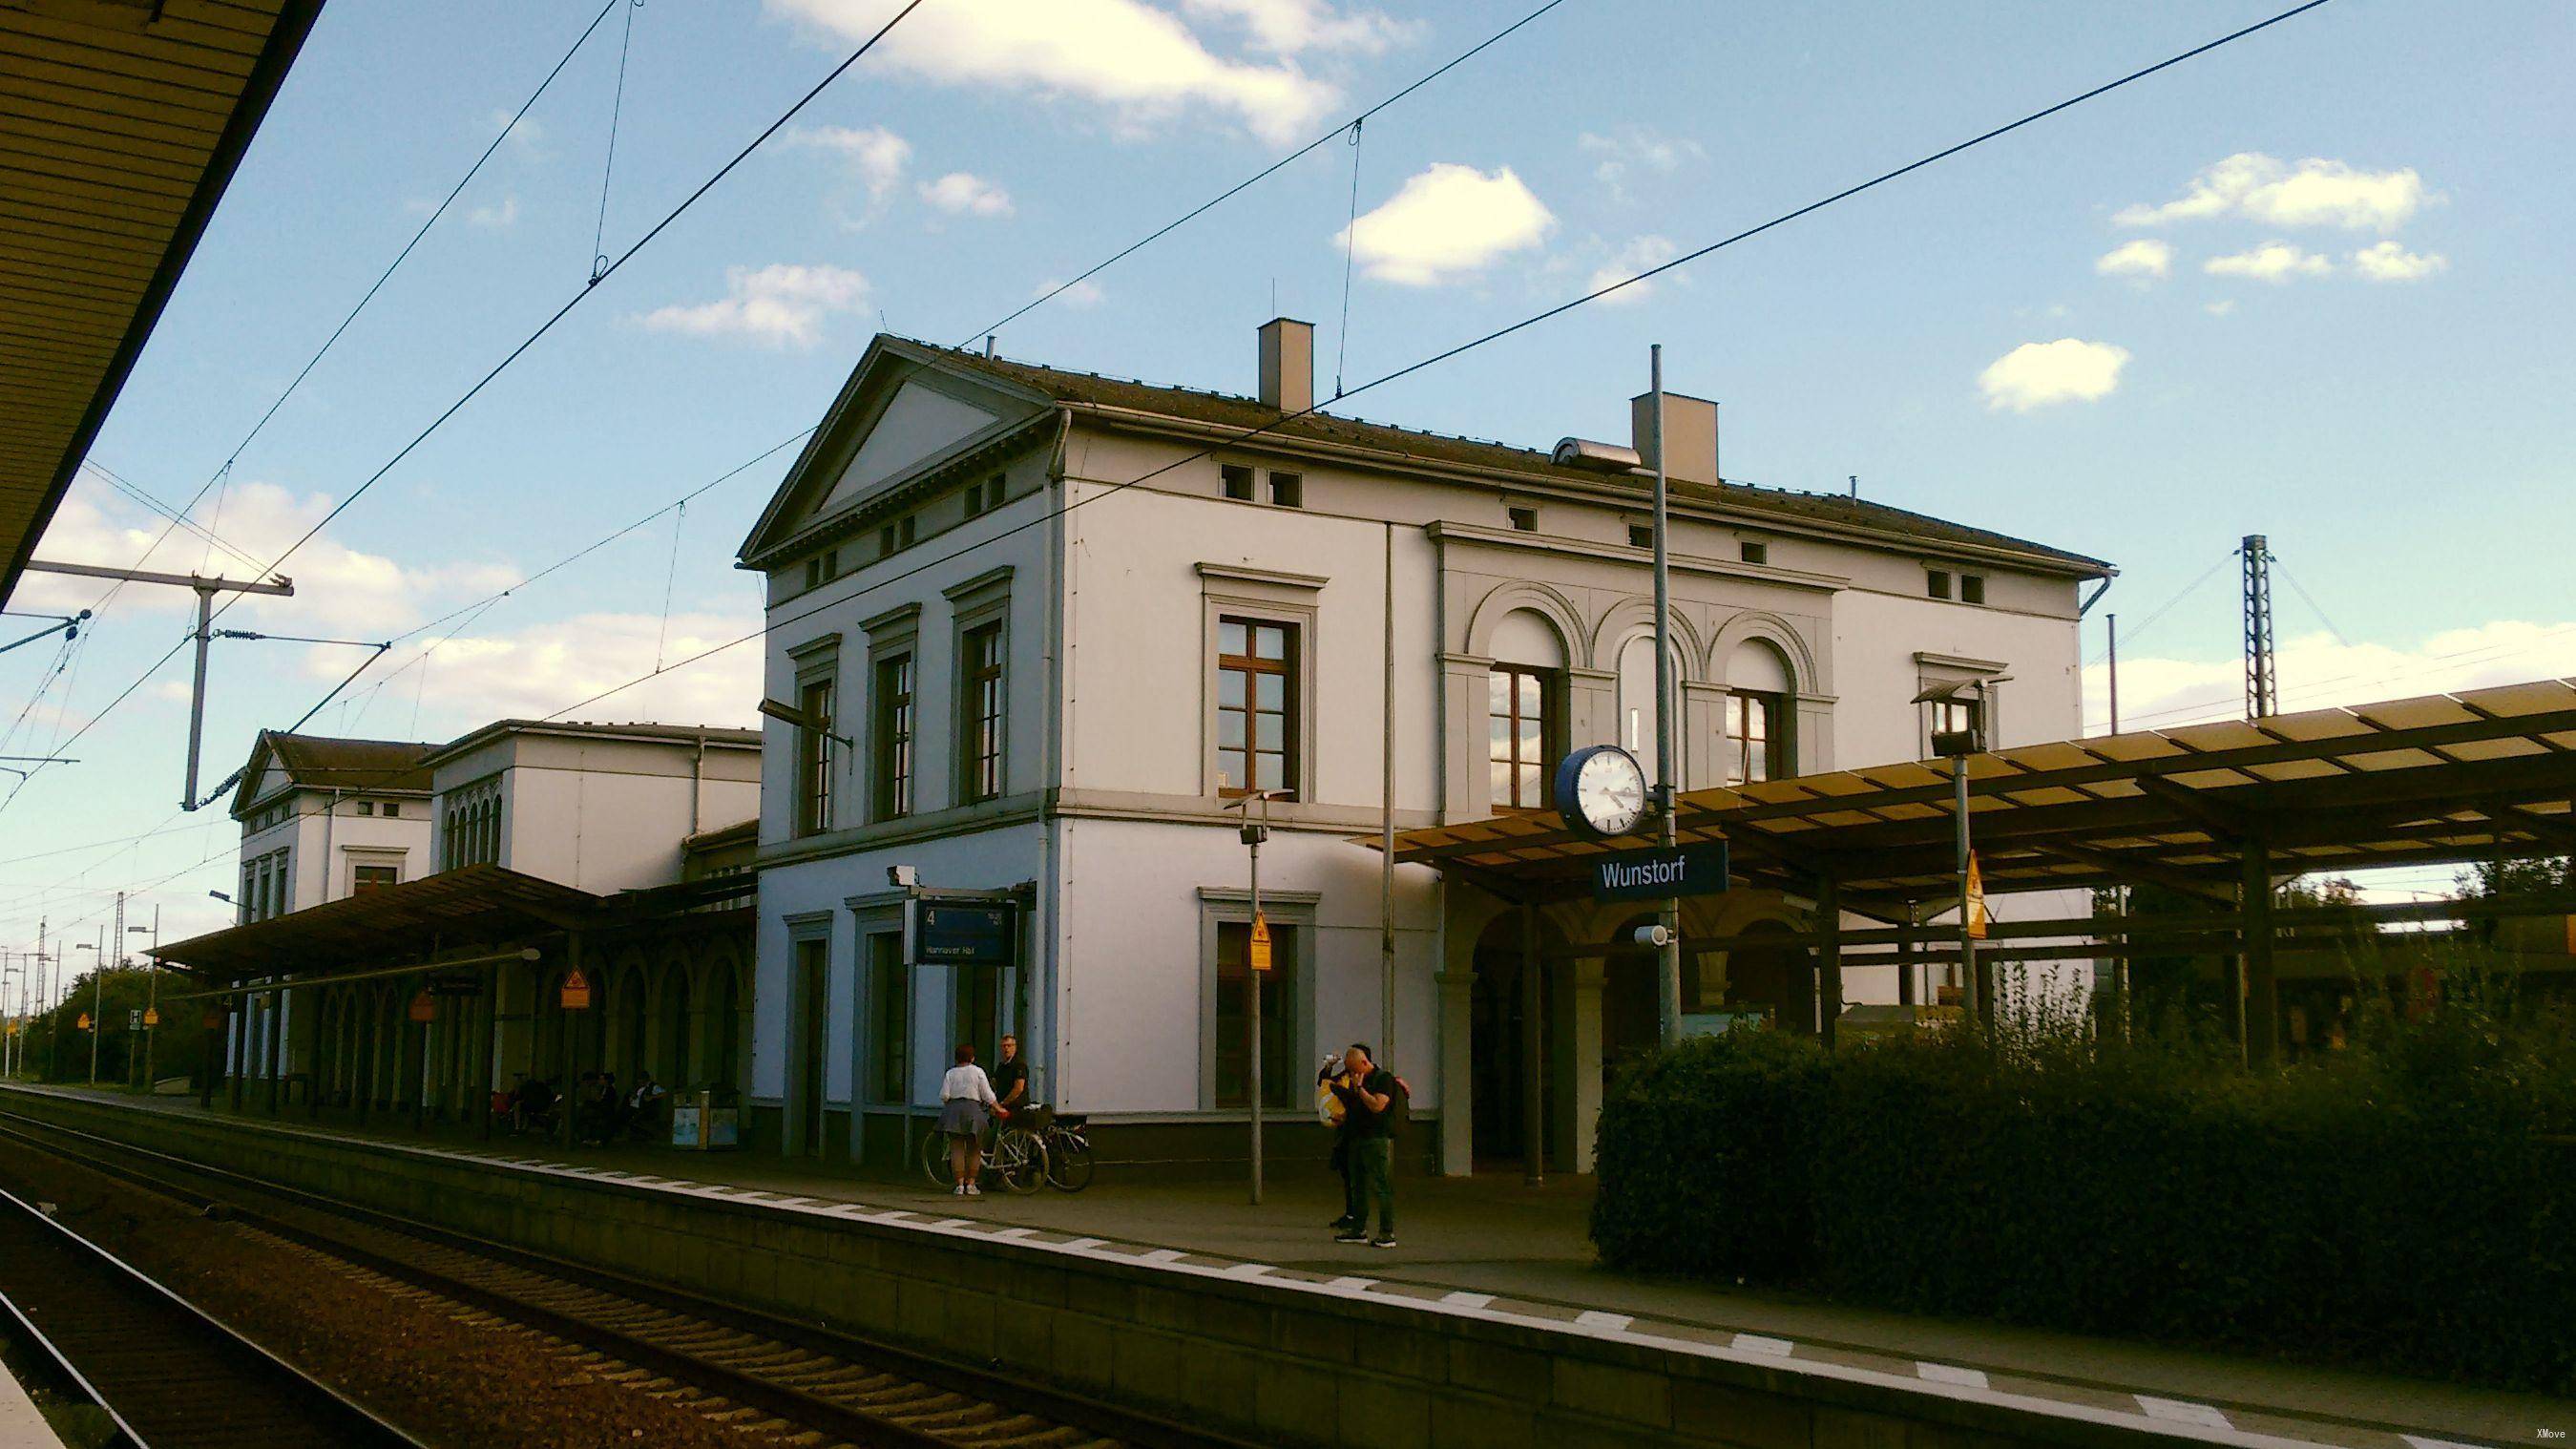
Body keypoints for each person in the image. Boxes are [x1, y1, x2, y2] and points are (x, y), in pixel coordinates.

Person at [1331, 1043, 1399, 1248]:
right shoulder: (1356, 1079)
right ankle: (1358, 1229)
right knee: (1357, 1185)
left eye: (1354, 1069)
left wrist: (1360, 1089)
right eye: (1349, 1070)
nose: (1352, 1073)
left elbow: (1377, 1106)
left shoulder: (1383, 1079)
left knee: (1381, 1186)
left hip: (1377, 1139)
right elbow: (1357, 1108)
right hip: (1357, 1138)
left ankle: (1387, 1233)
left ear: (1364, 1062)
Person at [938, 1043, 999, 1197]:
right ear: (972, 1058)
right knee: (974, 1149)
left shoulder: (950, 1073)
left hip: (953, 1110)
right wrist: (998, 1108)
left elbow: (944, 1095)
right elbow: (987, 1094)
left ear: (957, 1058)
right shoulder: (978, 1072)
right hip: (973, 1110)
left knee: (956, 1149)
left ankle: (959, 1185)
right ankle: (971, 1184)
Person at [1318, 1052, 1358, 1234]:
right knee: (1347, 1175)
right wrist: (1328, 1067)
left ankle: (1357, 1217)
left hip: (1357, 1133)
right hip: (1343, 1131)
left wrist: (1340, 1091)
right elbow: (1325, 1083)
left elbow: (1356, 1100)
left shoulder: (1368, 1079)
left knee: (1357, 1178)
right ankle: (1350, 1214)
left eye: (1351, 1058)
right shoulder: (1344, 1076)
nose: (1347, 1061)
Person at [990, 1035, 1030, 1120]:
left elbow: (1018, 1088)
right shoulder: (1002, 1065)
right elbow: (994, 1083)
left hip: (1016, 1108)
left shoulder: (1019, 1065)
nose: (1006, 1049)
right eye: (1004, 1046)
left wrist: (1003, 1103)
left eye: (1009, 1045)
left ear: (1014, 1047)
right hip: (1002, 1106)